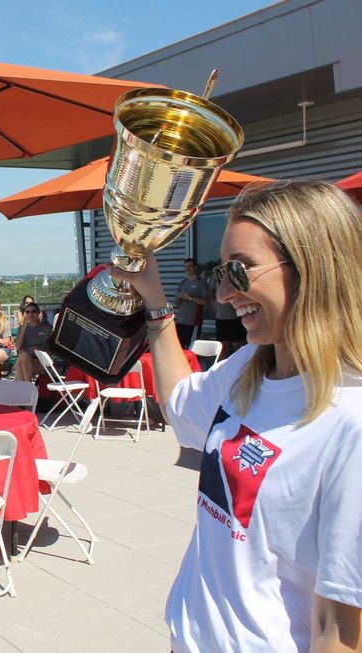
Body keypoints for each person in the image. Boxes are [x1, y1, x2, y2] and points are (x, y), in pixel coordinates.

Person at [109, 180, 362, 652]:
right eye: (222, 272)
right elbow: (182, 406)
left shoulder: (350, 421)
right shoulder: (250, 365)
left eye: (240, 271)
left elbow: (341, 630)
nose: (224, 293)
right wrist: (154, 300)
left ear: (313, 268)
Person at [173, 257, 208, 348]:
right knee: (179, 347)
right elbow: (177, 303)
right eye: (185, 266)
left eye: (190, 266)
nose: (188, 268)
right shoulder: (183, 282)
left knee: (191, 347)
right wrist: (179, 297)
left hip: (193, 322)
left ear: (195, 267)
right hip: (180, 320)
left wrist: (190, 298)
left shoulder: (201, 282)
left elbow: (205, 302)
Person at [14, 302, 52, 382]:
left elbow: (49, 349)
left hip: (40, 359)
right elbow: (17, 346)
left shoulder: (46, 328)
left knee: (19, 365)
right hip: (26, 358)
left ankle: (26, 387)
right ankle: (28, 386)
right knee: (24, 357)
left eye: (34, 311)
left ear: (39, 313)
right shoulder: (22, 329)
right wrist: (24, 327)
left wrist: (36, 350)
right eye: (28, 312)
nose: (31, 314)